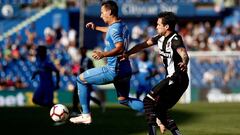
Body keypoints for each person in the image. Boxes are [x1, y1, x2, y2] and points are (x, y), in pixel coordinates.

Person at [69, 0, 144, 124]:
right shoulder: (122, 25)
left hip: (113, 70)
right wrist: (96, 27)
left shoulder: (114, 29)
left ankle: (86, 115)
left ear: (109, 12)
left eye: (102, 12)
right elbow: (111, 31)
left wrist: (103, 54)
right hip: (125, 69)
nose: (100, 15)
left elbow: (119, 47)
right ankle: (154, 111)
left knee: (81, 79)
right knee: (123, 100)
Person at [122, 12, 189, 135]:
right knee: (160, 109)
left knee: (148, 100)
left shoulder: (175, 39)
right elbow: (142, 45)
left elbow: (183, 52)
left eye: (158, 24)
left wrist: (184, 61)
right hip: (174, 79)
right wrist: (128, 53)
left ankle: (152, 133)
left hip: (176, 78)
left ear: (167, 27)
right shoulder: (159, 38)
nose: (156, 27)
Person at [71, 47, 105, 116]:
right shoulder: (81, 59)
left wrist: (86, 71)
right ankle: (76, 110)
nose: (81, 52)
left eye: (83, 50)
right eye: (81, 50)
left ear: (85, 51)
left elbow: (93, 69)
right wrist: (76, 72)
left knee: (84, 95)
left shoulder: (88, 60)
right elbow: (80, 70)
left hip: (86, 80)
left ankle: (77, 110)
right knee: (78, 94)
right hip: (80, 80)